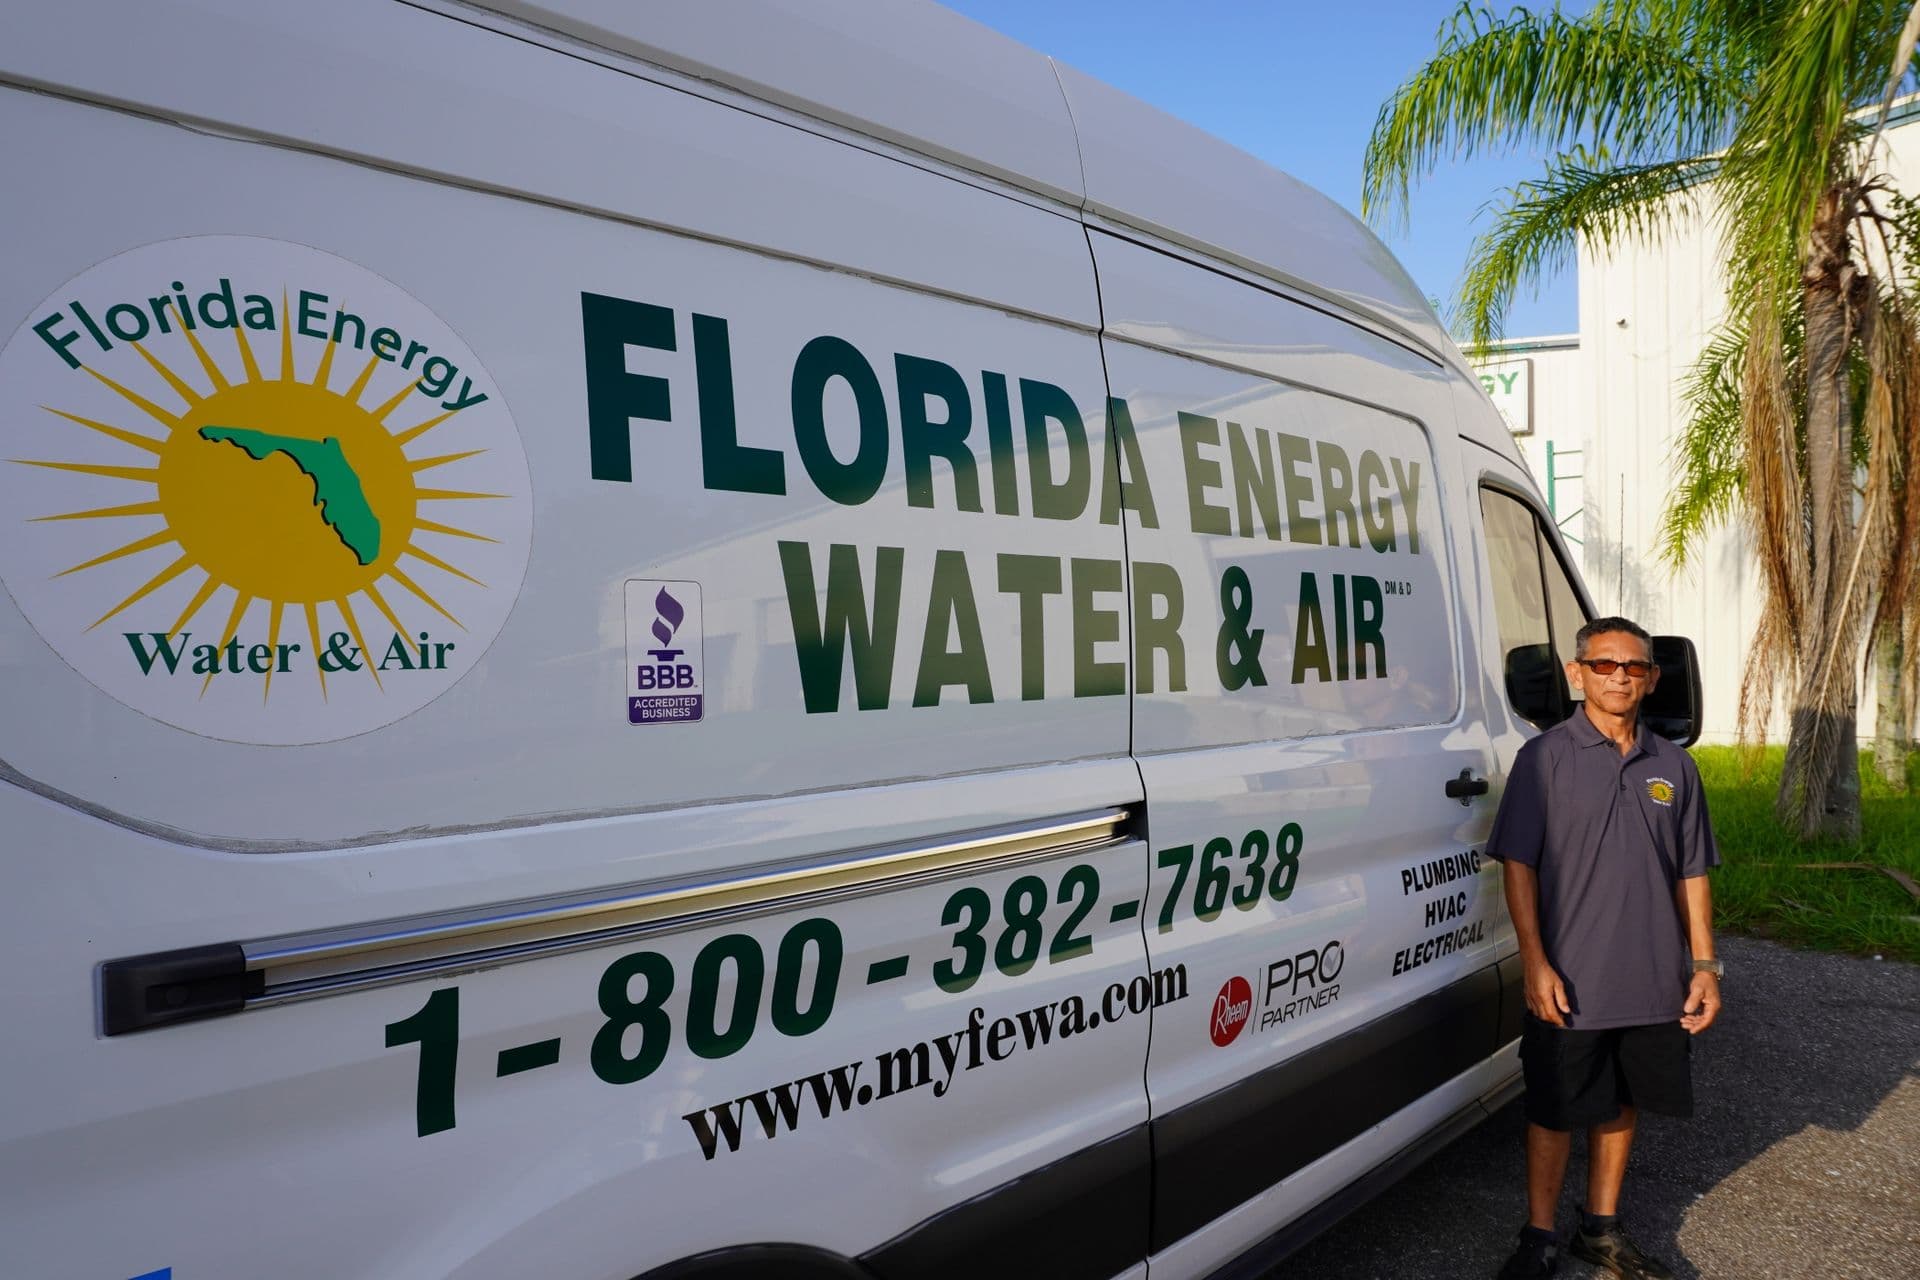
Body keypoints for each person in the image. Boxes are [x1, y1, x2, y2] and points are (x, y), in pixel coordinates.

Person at [1488, 617, 1722, 1280]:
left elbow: (1692, 872)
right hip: (1570, 977)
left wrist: (1703, 967)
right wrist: (1535, 962)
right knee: (1556, 1109)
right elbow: (1518, 865)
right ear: (1576, 672)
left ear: (1649, 679)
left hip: (1652, 978)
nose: (1619, 676)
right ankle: (1538, 1237)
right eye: (1603, 665)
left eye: (1633, 667)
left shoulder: (1674, 765)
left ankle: (1600, 1229)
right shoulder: (1545, 758)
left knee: (1621, 1101)